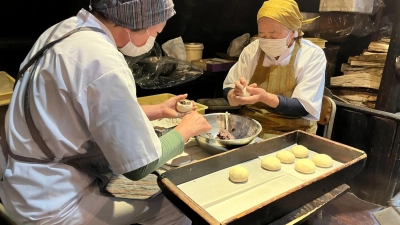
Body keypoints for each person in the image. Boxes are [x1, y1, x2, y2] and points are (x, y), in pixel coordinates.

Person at [0, 0, 211, 224]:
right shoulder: (103, 61)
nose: (153, 40)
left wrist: (156, 110)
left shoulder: (65, 30)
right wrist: (185, 130)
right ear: (136, 24)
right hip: (53, 204)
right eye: (156, 32)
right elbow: (139, 166)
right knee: (177, 206)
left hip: (20, 184)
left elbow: (79, 110)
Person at [223, 0, 326, 139]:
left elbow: (303, 107)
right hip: (250, 130)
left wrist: (265, 97)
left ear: (293, 32)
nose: (267, 40)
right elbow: (228, 88)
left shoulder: (312, 55)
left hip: (294, 133)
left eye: (273, 35)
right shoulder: (252, 50)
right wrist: (236, 95)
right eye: (262, 35)